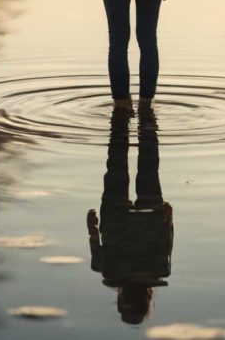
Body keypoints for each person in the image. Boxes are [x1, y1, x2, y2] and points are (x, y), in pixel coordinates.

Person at [87, 105, 174, 325]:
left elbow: (166, 241)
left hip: (149, 216)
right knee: (116, 162)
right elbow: (94, 240)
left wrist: (168, 219)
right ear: (120, 299)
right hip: (115, 217)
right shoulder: (106, 272)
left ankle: (146, 122)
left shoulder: (159, 272)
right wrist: (92, 224)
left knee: (149, 163)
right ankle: (122, 120)